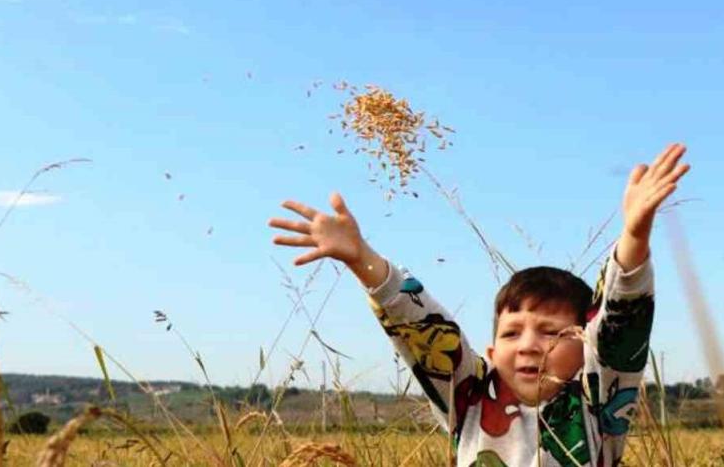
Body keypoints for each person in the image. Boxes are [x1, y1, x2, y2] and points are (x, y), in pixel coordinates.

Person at [268, 143, 690, 466]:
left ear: (586, 349)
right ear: (490, 354)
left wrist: (634, 237)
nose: (528, 345)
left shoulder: (595, 406)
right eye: (511, 333)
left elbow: (621, 324)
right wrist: (363, 261)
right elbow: (420, 330)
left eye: (550, 332)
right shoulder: (468, 398)